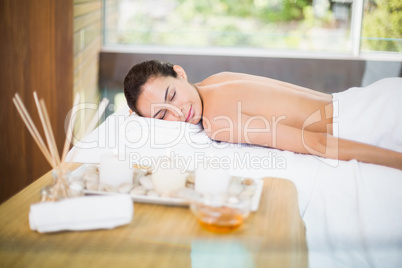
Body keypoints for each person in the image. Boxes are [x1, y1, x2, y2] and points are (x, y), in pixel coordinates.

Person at [124, 59, 402, 170]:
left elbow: (316, 143)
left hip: (371, 123)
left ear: (180, 73)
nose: (179, 112)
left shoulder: (218, 123)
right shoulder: (217, 78)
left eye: (172, 96)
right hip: (371, 98)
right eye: (162, 117)